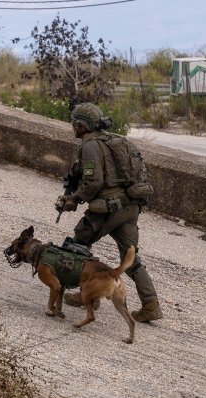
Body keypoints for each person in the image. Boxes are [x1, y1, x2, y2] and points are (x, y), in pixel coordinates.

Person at [55, 103, 163, 323]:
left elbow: (94, 183)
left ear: (81, 125)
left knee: (78, 245)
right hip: (129, 207)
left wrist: (73, 199)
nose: (73, 127)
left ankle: (90, 297)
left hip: (107, 209)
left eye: (75, 123)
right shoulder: (114, 140)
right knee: (130, 256)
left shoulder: (90, 146)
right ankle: (150, 304)